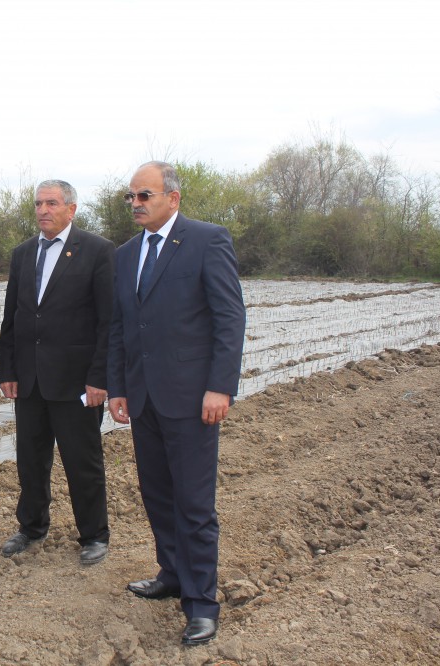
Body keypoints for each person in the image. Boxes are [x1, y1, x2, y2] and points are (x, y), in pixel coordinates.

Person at [107, 161, 245, 646]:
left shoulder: (207, 240)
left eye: (145, 196)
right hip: (144, 397)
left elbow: (229, 317)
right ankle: (170, 574)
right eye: (131, 197)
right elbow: (121, 327)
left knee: (193, 503)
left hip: (192, 397)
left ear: (173, 197)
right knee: (157, 495)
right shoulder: (126, 255)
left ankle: (202, 602)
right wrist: (119, 387)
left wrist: (220, 386)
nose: (136, 205)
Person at [0, 179, 114, 566]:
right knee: (30, 459)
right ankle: (31, 527)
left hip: (75, 381)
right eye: (38, 204)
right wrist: (7, 369)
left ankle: (94, 535)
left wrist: (101, 378)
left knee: (83, 461)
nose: (43, 210)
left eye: (51, 203)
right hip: (29, 379)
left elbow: (107, 322)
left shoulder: (97, 251)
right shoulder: (23, 253)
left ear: (71, 209)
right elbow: (13, 316)